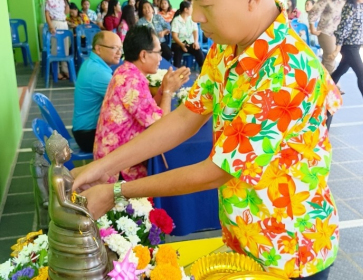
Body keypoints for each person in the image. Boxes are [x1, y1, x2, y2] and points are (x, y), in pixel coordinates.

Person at [72, 1, 342, 279]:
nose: (197, 16)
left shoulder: (287, 68)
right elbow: (186, 117)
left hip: (289, 251)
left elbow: (217, 170)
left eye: (208, 5)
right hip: (245, 236)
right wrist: (102, 167)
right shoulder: (228, 46)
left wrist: (116, 192)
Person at [93, 25, 190, 183]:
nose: (161, 57)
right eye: (158, 52)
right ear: (144, 55)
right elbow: (161, 129)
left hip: (113, 157)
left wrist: (163, 89)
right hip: (117, 169)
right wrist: (168, 93)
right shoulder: (131, 81)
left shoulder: (127, 71)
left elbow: (148, 108)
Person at [45, 131, 109, 279]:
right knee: (85, 222)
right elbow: (63, 201)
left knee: (89, 211)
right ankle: (88, 263)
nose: (70, 151)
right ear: (56, 155)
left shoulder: (63, 169)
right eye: (66, 149)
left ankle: (96, 258)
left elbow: (70, 195)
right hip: (59, 210)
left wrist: (80, 201)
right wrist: (81, 208)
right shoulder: (56, 175)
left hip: (68, 204)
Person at [72, 31, 123, 153]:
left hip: (84, 129)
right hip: (88, 135)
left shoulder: (92, 64)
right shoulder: (97, 73)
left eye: (121, 48)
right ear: (98, 49)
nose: (119, 53)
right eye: (114, 48)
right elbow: (125, 100)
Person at [330, 0, 363, 113]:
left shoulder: (362, 5)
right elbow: (342, 28)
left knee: (340, 71)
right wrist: (338, 47)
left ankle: (323, 90)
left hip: (356, 45)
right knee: (361, 72)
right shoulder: (349, 7)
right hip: (349, 46)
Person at [307, 0, 346, 74]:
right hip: (326, 31)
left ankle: (319, 82)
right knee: (330, 59)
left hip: (338, 33)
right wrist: (312, 29)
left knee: (326, 61)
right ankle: (329, 83)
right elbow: (313, 11)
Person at [171, 1, 204, 69]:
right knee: (178, 50)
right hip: (178, 43)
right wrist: (182, 45)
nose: (192, 10)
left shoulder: (191, 19)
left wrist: (195, 41)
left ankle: (204, 70)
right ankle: (176, 70)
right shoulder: (176, 20)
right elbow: (174, 36)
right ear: (186, 9)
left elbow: (195, 31)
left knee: (197, 49)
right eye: (191, 8)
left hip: (189, 42)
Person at [45, 0, 70, 80]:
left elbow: (66, 12)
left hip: (64, 23)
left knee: (65, 48)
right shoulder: (49, 1)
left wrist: (67, 2)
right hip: (55, 24)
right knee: (55, 49)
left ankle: (64, 69)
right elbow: (47, 14)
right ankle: (56, 71)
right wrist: (51, 26)